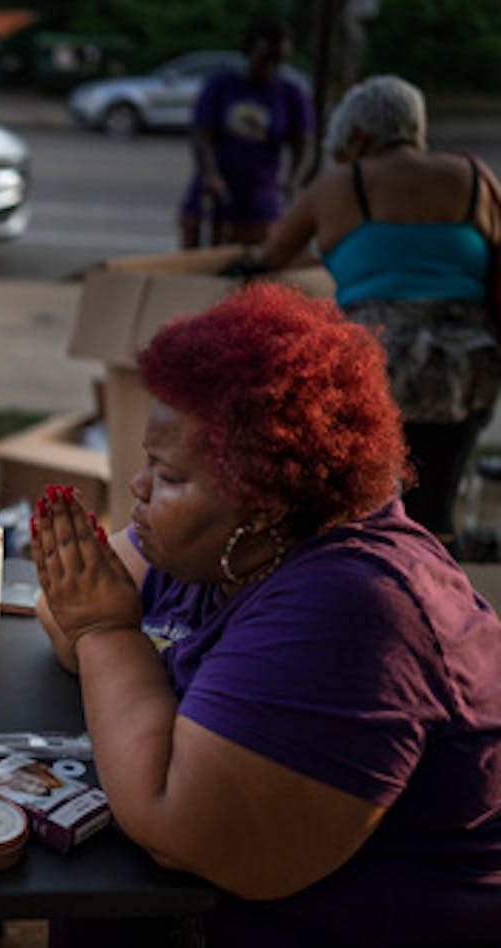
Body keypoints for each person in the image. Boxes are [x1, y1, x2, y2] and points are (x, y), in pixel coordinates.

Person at [31, 283, 501, 946]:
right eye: (147, 462)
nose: (136, 489)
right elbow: (62, 609)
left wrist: (108, 632)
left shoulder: (356, 607)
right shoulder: (225, 542)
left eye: (167, 477)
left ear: (264, 504)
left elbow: (180, 829)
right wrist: (93, 622)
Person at [253, 74, 501, 553]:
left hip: (376, 364)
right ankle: (439, 597)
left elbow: (270, 255)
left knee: (365, 504)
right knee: (435, 502)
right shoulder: (472, 177)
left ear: (359, 138)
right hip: (468, 365)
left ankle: (377, 596)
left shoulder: (339, 185)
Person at [178, 15, 312, 248]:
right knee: (202, 258)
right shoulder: (220, 85)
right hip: (213, 194)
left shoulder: (291, 94)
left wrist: (294, 180)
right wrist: (210, 174)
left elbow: (304, 145)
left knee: (253, 266)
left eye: (273, 59)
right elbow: (202, 134)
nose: (266, 66)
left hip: (260, 199)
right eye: (262, 57)